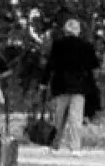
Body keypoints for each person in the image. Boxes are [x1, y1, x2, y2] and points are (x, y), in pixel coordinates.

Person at [41, 18, 100, 157]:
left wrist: (43, 82)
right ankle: (75, 148)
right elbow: (94, 66)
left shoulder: (58, 45)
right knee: (76, 118)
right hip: (80, 87)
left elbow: (50, 66)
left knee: (58, 118)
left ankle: (54, 146)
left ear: (65, 30)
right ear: (78, 31)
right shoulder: (87, 46)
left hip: (61, 86)